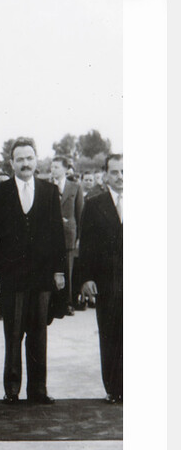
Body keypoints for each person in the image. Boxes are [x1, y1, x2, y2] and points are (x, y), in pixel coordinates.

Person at [0, 137, 66, 404]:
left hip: (42, 277)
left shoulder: (50, 191)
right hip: (12, 277)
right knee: (14, 334)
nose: (25, 163)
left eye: (29, 158)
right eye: (20, 159)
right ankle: (12, 390)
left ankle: (38, 390)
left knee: (39, 334)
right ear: (11, 163)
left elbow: (57, 235)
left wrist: (59, 271)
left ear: (36, 159)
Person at [79, 155, 123, 403]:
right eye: (115, 172)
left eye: (124, 172)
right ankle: (114, 388)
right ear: (105, 175)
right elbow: (86, 245)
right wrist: (86, 278)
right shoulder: (94, 204)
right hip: (107, 281)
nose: (120, 177)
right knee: (110, 334)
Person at [50, 156, 84, 314]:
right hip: (50, 233)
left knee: (68, 269)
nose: (53, 170)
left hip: (68, 233)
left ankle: (68, 303)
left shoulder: (75, 187)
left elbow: (79, 213)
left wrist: (78, 237)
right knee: (52, 268)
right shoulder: (46, 186)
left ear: (64, 169)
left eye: (56, 167)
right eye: (52, 167)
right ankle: (53, 303)